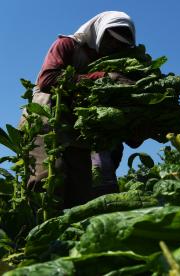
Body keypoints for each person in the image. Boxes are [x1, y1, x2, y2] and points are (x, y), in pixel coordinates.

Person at [20, 11, 138, 208]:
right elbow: (47, 80)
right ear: (99, 32)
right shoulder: (68, 45)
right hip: (46, 121)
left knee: (79, 195)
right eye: (110, 39)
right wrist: (101, 77)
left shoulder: (116, 66)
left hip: (77, 133)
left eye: (120, 45)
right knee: (48, 179)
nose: (113, 47)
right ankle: (33, 234)